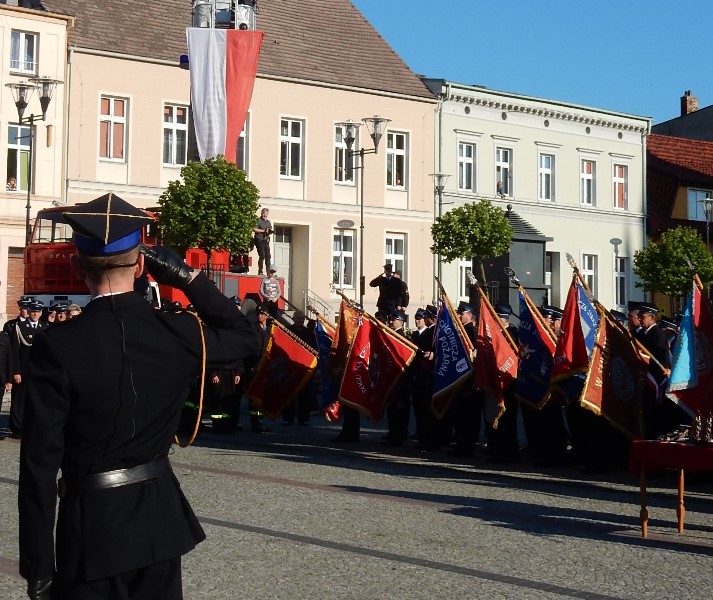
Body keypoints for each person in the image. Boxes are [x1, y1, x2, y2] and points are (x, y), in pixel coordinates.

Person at [18, 192, 259, 600]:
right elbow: (245, 336)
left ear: (78, 266)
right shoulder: (178, 332)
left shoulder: (57, 347)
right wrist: (187, 277)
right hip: (159, 525)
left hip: (91, 531)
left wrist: (38, 566)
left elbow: (39, 467)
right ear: (143, 265)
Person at [9, 300, 46, 437]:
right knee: (19, 400)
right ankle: (17, 428)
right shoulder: (19, 327)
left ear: (41, 313)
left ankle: (34, 427)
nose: (35, 314)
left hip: (38, 370)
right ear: (29, 312)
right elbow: (15, 351)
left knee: (36, 400)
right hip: (23, 370)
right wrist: (16, 371)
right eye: (33, 311)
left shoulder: (44, 327)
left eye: (38, 311)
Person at [253, 207, 273, 275]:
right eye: (264, 214)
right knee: (262, 256)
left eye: (266, 214)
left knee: (268, 256)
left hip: (265, 240)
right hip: (259, 239)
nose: (265, 215)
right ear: (261, 214)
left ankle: (268, 272)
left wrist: (269, 232)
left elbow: (269, 230)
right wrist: (263, 231)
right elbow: (254, 229)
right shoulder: (258, 220)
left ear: (268, 214)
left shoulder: (268, 222)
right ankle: (260, 271)